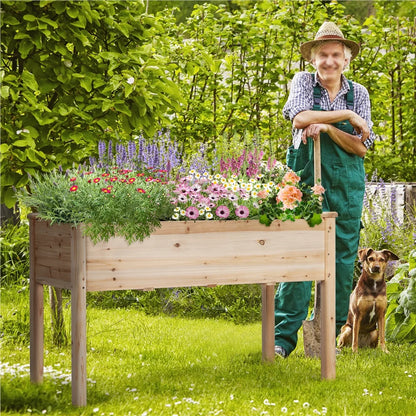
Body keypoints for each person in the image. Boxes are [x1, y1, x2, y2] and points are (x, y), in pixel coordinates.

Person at [274, 21, 376, 358]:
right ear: (313, 59)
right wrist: (345, 115)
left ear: (346, 60)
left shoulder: (359, 92)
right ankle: (283, 339)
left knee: (344, 259)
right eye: (323, 55)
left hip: (346, 184)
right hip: (305, 178)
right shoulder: (303, 82)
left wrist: (329, 129)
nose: (329, 61)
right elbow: (299, 118)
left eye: (336, 54)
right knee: (299, 255)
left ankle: (327, 336)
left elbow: (360, 147)